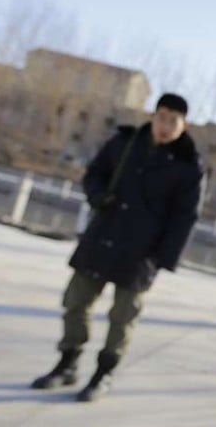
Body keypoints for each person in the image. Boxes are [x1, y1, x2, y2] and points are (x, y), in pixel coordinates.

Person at [31, 93, 204, 402]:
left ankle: (103, 373)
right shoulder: (124, 143)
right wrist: (97, 196)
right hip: (103, 235)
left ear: (183, 125)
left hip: (141, 252)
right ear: (153, 116)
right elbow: (95, 174)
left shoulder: (188, 166)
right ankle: (67, 363)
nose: (165, 126)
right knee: (75, 302)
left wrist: (162, 259)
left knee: (122, 317)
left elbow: (185, 217)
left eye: (173, 121)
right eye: (161, 117)